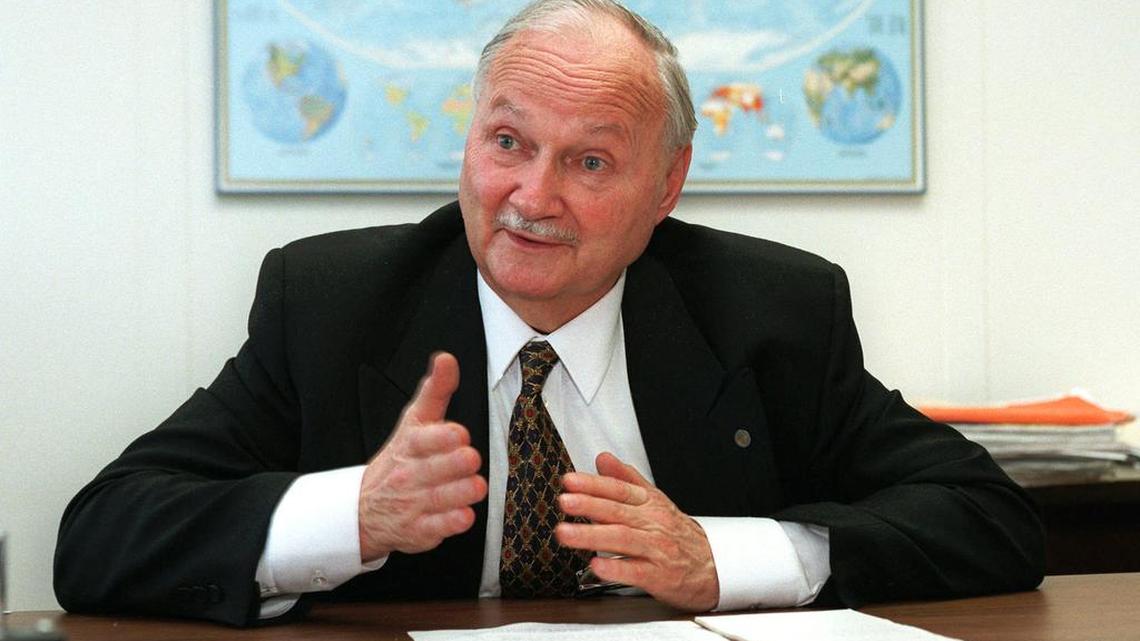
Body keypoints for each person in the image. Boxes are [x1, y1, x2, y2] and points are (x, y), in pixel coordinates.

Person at [54, 0, 1044, 627]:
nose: (533, 195)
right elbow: (99, 537)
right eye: (508, 140)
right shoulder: (333, 303)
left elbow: (991, 520)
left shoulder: (772, 311)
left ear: (668, 184)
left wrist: (724, 555)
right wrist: (351, 511)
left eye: (591, 160)